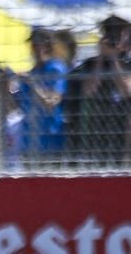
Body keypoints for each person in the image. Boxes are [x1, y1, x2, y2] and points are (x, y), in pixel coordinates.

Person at [72, 16, 131, 166]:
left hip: (122, 132)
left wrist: (113, 59)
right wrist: (100, 58)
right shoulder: (91, 63)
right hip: (97, 131)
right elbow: (89, 90)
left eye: (118, 33)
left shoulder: (127, 62)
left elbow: (126, 90)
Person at [9, 27, 71, 163]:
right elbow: (14, 107)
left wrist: (32, 84)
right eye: (33, 44)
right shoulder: (32, 72)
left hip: (50, 139)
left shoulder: (56, 68)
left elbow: (51, 103)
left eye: (38, 44)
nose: (34, 48)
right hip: (28, 141)